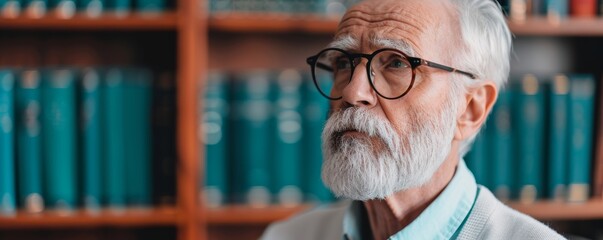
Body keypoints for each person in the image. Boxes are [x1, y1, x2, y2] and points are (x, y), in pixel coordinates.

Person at [262, 0, 565, 239]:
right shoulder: (285, 236)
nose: (353, 92)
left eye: (396, 62)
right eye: (344, 62)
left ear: (470, 108)